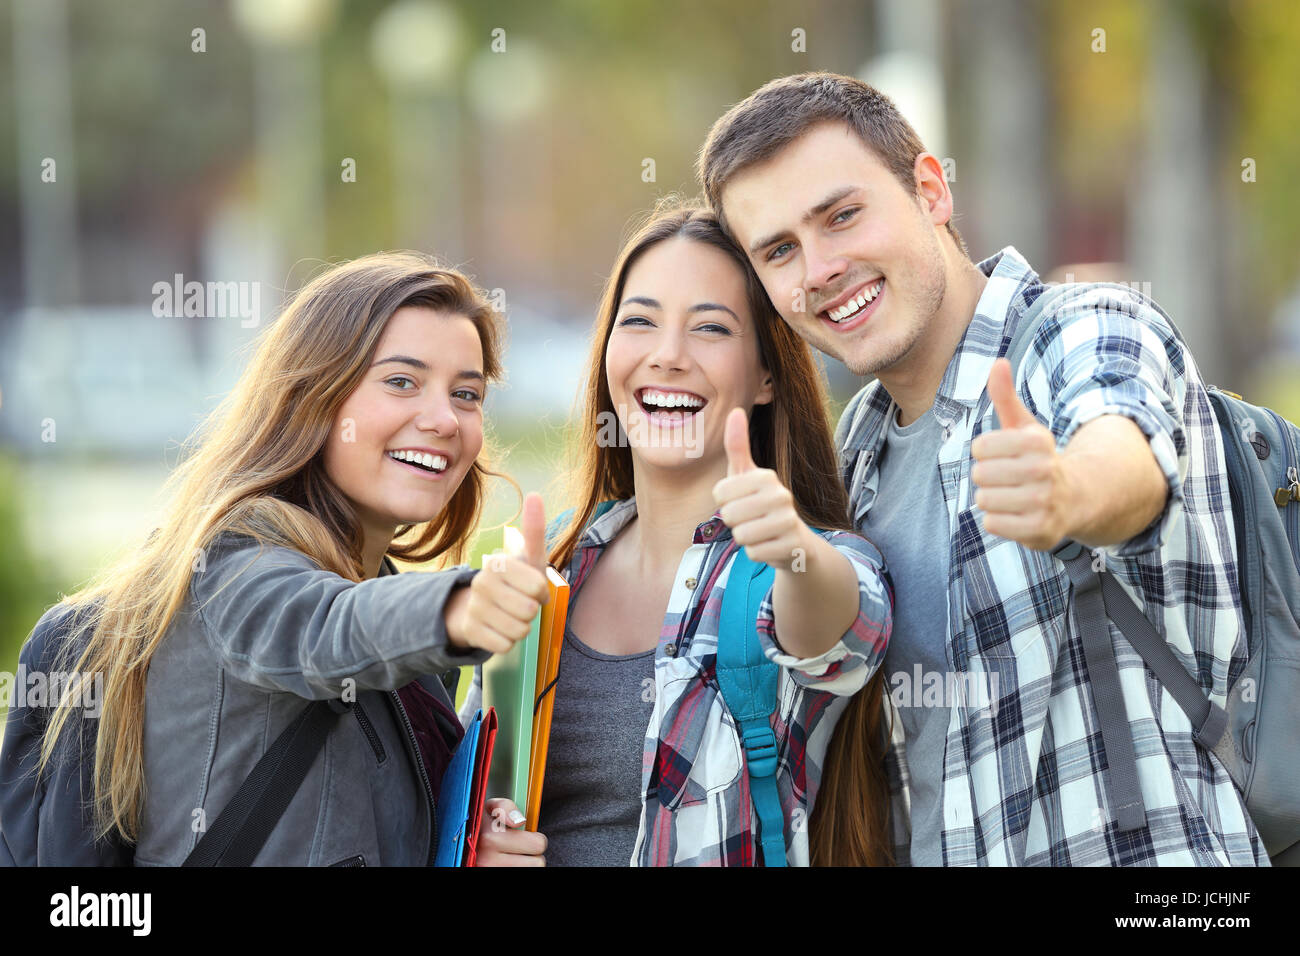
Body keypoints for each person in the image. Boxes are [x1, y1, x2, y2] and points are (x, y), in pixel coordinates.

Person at [696, 71, 1268, 866]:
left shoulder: (1079, 328)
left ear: (930, 190)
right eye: (781, 250)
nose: (820, 268)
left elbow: (1127, 456)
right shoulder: (858, 450)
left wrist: (1068, 494)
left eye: (843, 216)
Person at [0, 252, 547, 866]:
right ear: (313, 397)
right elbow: (320, 627)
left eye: (466, 394)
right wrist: (459, 608)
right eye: (401, 381)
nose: (445, 419)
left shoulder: (391, 625)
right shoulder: (235, 564)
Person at [530, 200, 894, 866]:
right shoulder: (555, 561)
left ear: (764, 377)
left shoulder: (801, 564)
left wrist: (793, 552)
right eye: (639, 321)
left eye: (710, 329)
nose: (667, 356)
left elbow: (843, 632)